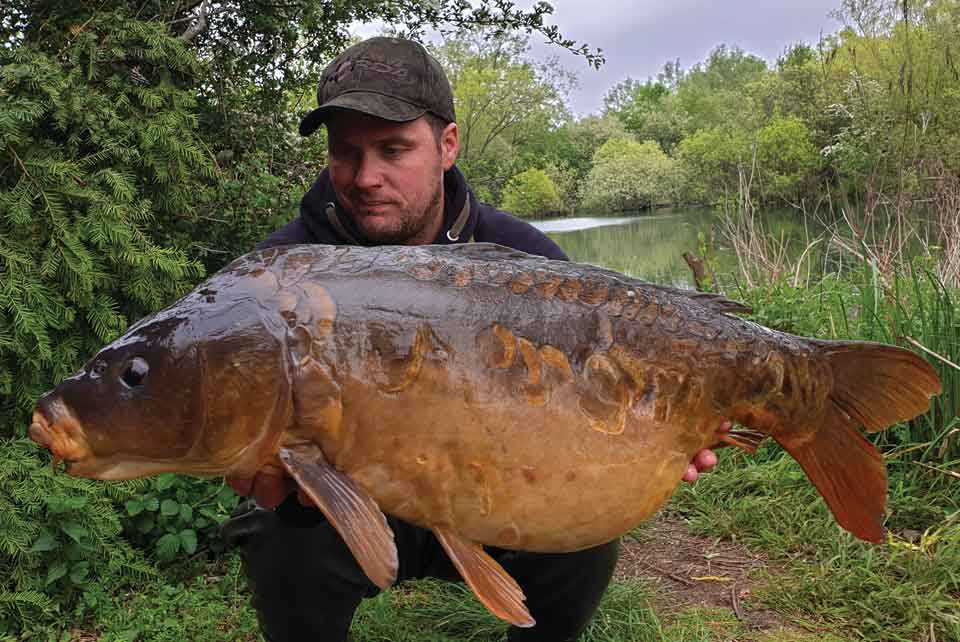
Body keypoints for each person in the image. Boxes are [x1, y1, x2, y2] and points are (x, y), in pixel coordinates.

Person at [219, 36, 727, 642]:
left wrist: (660, 431)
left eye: (393, 149)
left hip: (501, 492)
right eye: (345, 153)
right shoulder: (280, 276)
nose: (366, 176)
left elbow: (606, 378)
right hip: (349, 502)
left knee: (585, 537)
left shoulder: (524, 259)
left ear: (447, 146)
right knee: (273, 526)